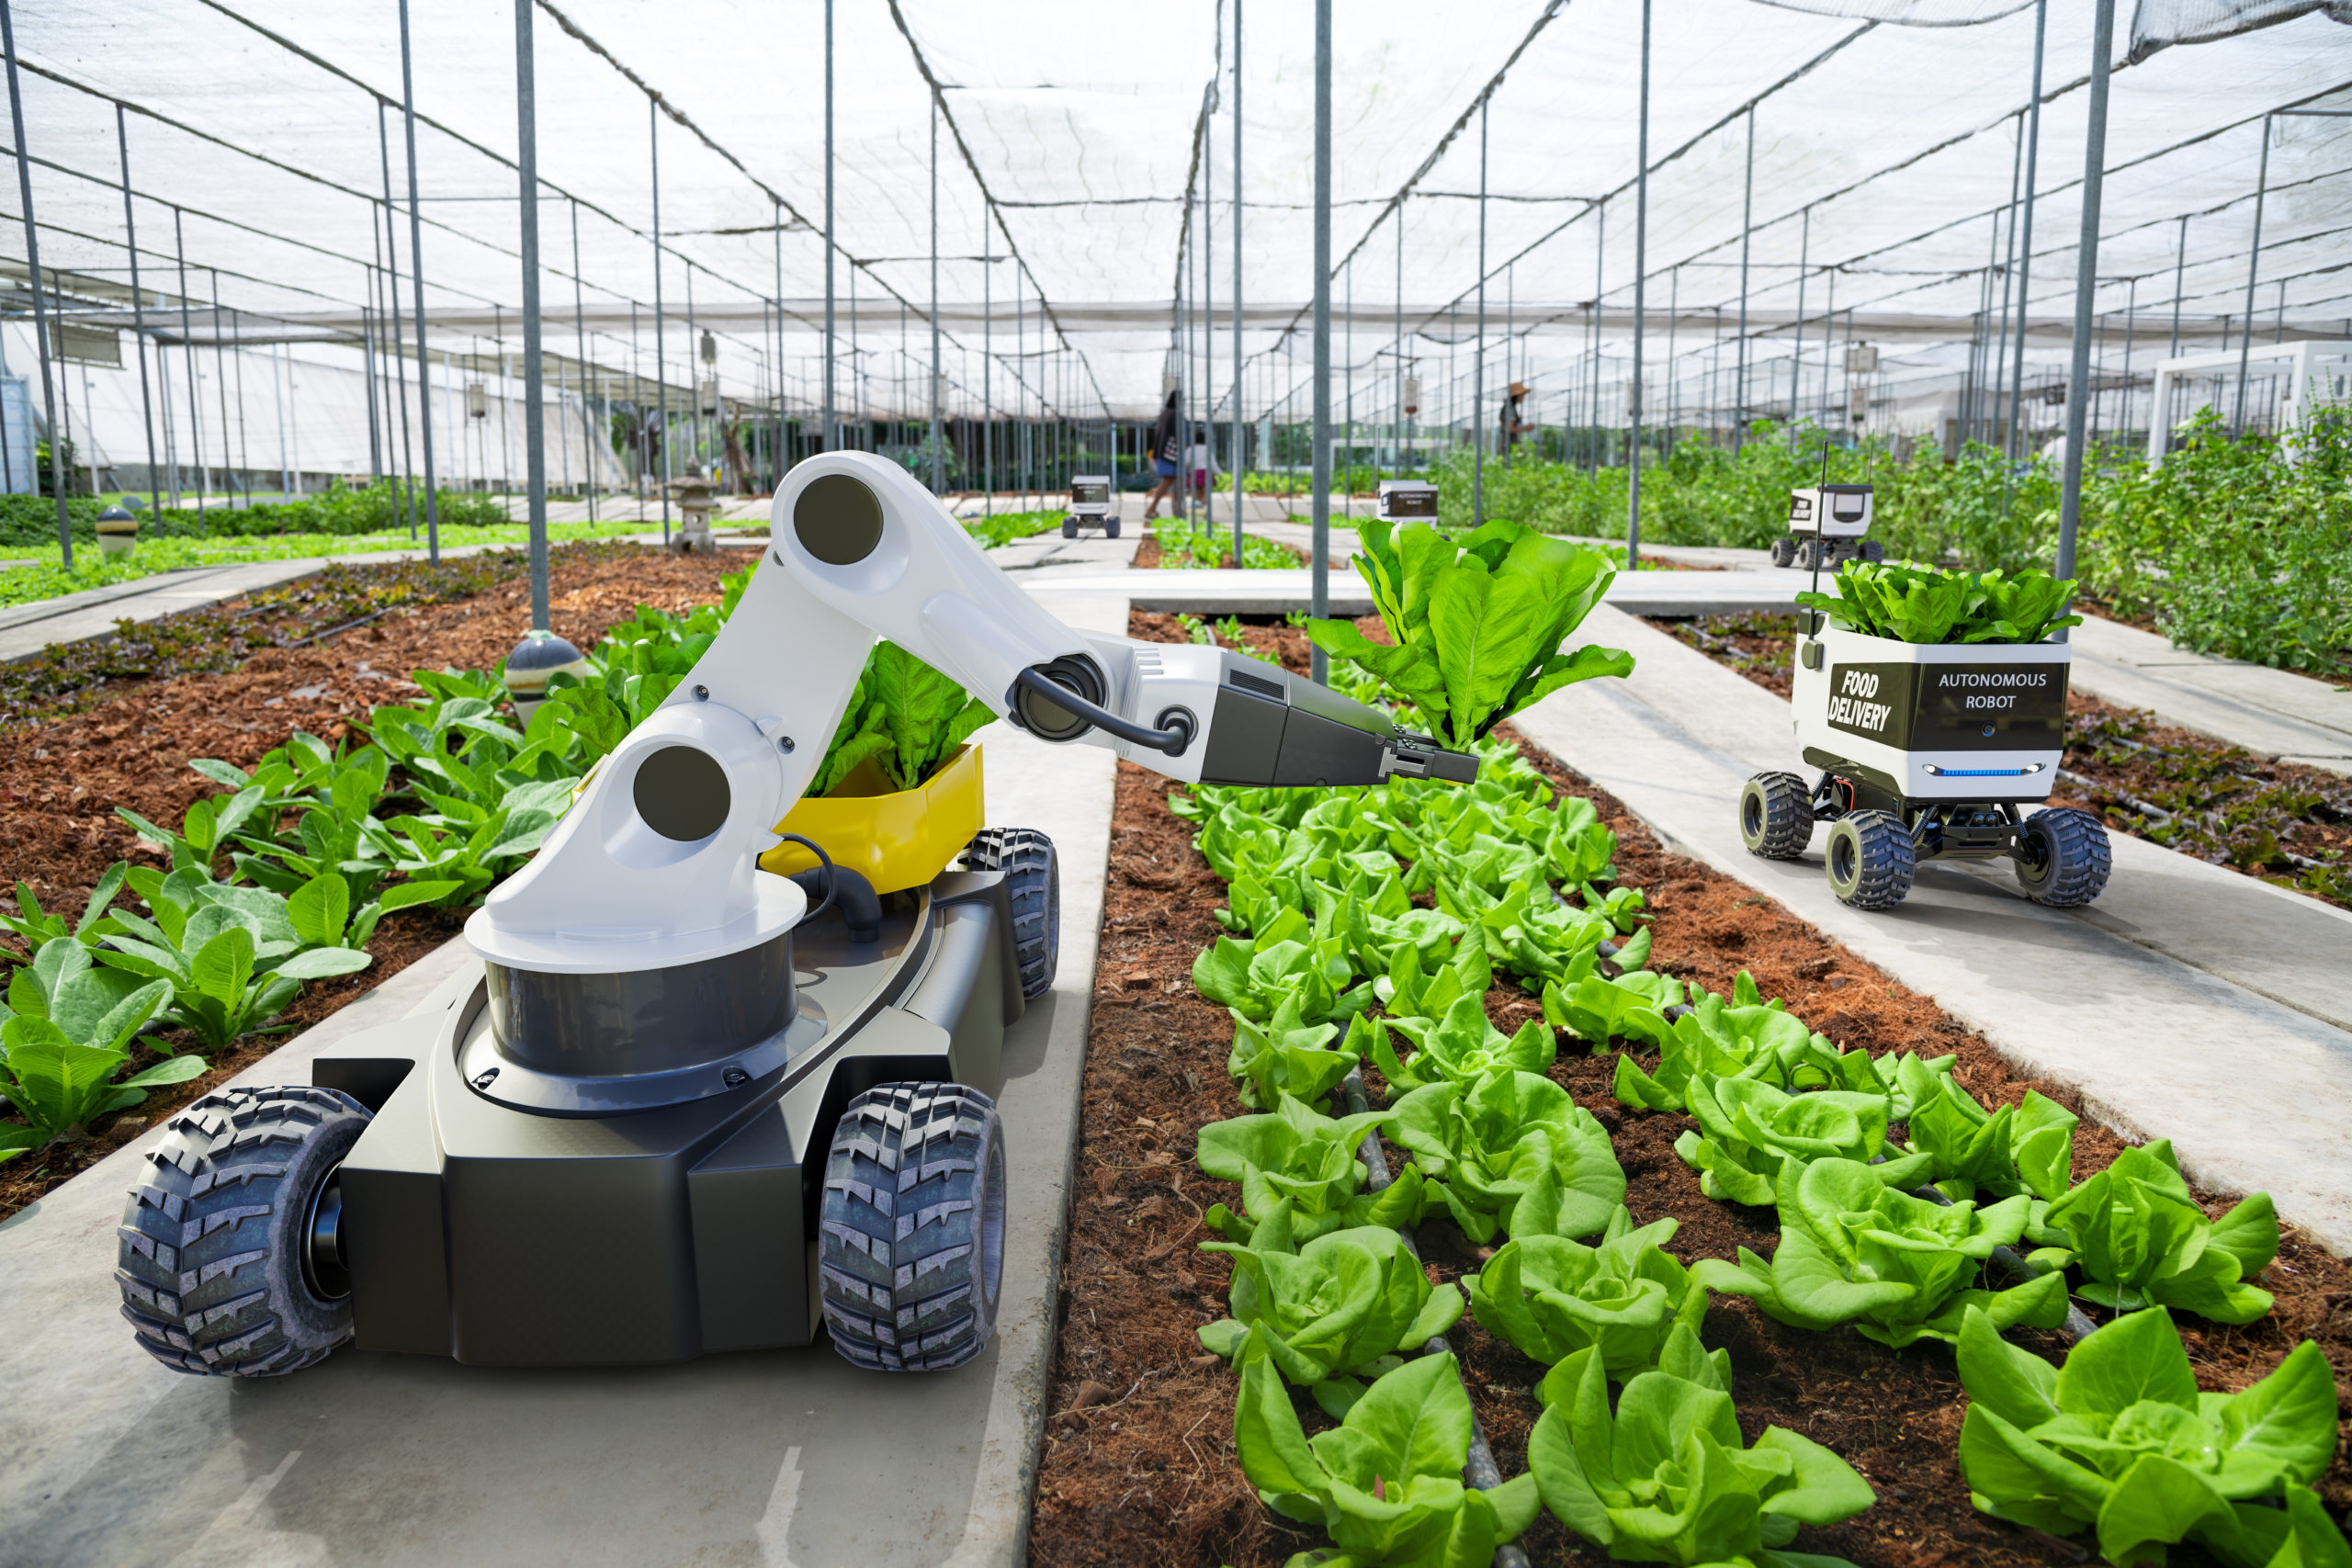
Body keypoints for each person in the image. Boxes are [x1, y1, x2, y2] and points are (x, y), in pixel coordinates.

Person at [1142, 389, 1183, 519]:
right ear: (1178, 400)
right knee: (1171, 481)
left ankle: (1173, 511)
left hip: (1162, 453)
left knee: (1172, 481)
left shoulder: (1164, 414)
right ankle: (1156, 509)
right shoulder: (1174, 414)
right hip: (1170, 455)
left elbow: (1158, 435)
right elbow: (1178, 435)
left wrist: (1155, 454)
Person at [1498, 380, 1534, 458]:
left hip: (1508, 444)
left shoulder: (1509, 407)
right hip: (1508, 445)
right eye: (1522, 395)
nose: (1523, 397)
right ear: (1517, 395)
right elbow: (1509, 429)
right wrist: (1525, 428)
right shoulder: (1510, 408)